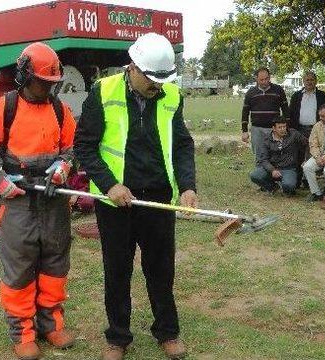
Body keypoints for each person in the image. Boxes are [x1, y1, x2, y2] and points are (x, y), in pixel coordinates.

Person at [74, 33, 196, 360]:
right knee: (117, 270)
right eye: (151, 79)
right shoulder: (103, 92)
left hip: (157, 197)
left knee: (161, 269)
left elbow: (182, 144)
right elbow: (84, 147)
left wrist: (187, 186)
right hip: (115, 201)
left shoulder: (171, 96)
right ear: (133, 67)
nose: (157, 86)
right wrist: (110, 184)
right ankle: (117, 338)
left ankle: (167, 332)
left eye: (162, 79)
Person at [0, 42, 76, 360]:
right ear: (26, 76)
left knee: (55, 263)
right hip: (18, 202)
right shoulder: (5, 108)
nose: (50, 89)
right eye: (45, 82)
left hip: (54, 201)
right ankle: (23, 333)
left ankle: (51, 324)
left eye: (54, 84)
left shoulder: (60, 110)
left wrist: (63, 166)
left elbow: (71, 148)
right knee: (20, 268)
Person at [289, 71, 325, 187]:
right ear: (303, 81)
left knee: (311, 154)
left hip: (315, 129)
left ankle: (307, 181)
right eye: (307, 80)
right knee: (298, 155)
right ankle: (296, 180)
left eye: (312, 80)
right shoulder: (296, 95)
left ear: (316, 81)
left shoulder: (322, 95)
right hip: (299, 129)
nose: (309, 82)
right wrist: (291, 130)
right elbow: (291, 113)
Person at [250, 117, 307, 196]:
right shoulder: (266, 139)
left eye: (284, 126)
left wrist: (304, 159)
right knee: (255, 175)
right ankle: (272, 187)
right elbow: (263, 159)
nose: (283, 129)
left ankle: (286, 188)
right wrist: (272, 170)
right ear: (274, 128)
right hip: (272, 167)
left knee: (289, 186)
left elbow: (307, 143)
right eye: (280, 127)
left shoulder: (294, 134)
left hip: (288, 168)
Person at [241, 67, 289, 156]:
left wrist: (287, 127)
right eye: (261, 79)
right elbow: (245, 112)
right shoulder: (250, 93)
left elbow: (286, 110)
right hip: (257, 130)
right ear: (256, 79)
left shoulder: (278, 90)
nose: (264, 82)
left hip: (274, 129)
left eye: (266, 79)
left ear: (269, 77)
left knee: (276, 156)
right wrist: (244, 131)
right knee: (259, 157)